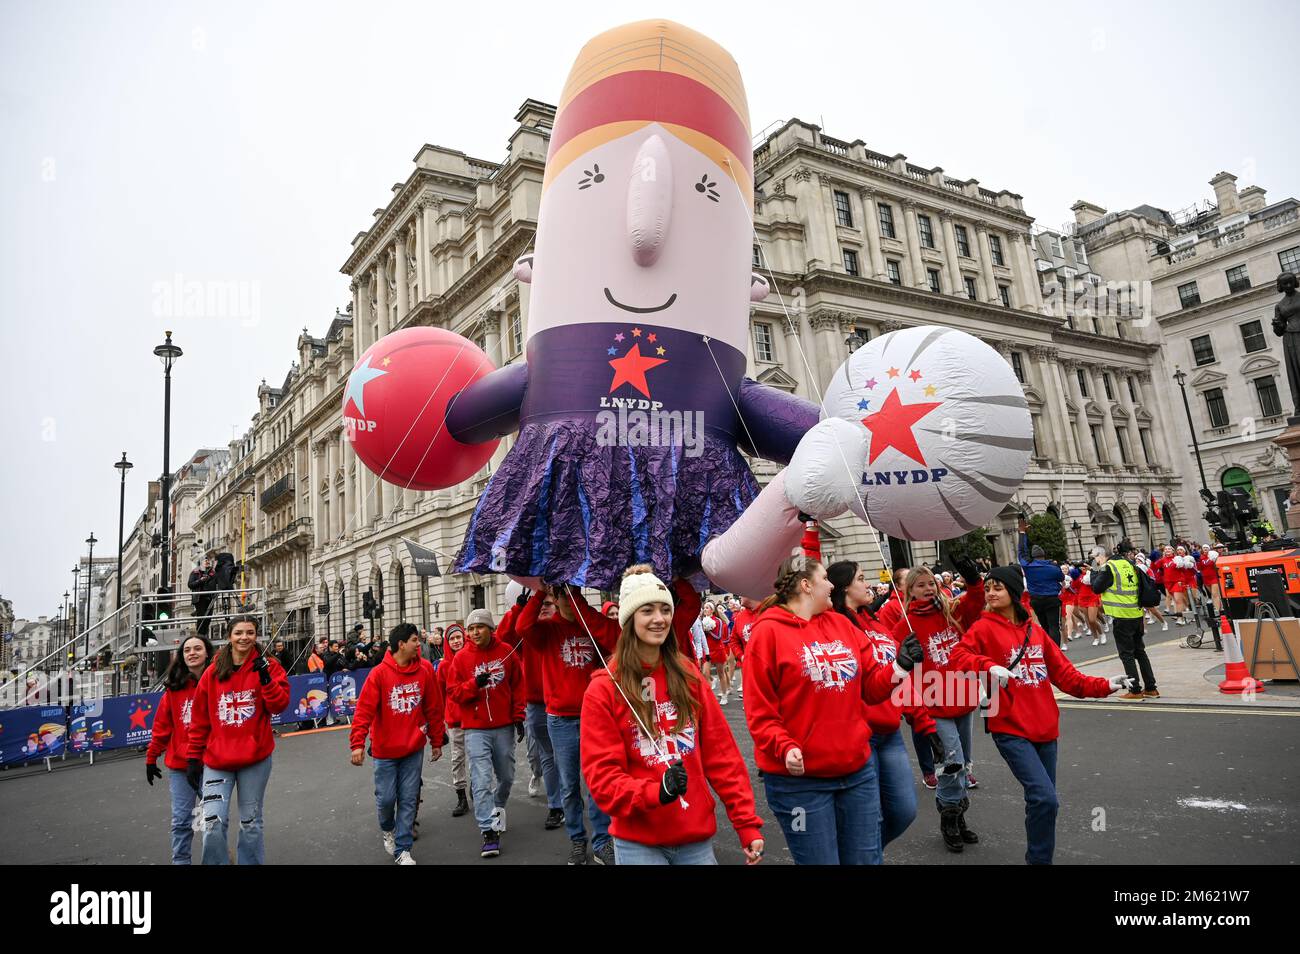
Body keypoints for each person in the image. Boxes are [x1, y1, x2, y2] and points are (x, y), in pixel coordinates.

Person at [582, 565, 764, 865]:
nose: (659, 619)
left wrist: (745, 823)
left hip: (694, 837)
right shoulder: (603, 688)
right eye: (647, 610)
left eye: (665, 609)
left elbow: (722, 756)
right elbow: (602, 778)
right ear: (628, 620)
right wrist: (656, 792)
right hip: (638, 841)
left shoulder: (689, 675)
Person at [744, 555, 921, 865]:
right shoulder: (767, 632)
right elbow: (760, 713)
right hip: (798, 785)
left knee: (866, 860)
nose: (831, 585)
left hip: (857, 772)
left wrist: (900, 666)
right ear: (805, 585)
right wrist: (784, 747)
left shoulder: (841, 623)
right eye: (825, 578)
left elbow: (871, 687)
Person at [951, 566, 1132, 864]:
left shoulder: (1034, 631)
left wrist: (1106, 685)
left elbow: (1067, 677)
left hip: (1046, 729)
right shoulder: (983, 628)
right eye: (988, 589)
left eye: (997, 587)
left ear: (1013, 591)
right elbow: (958, 658)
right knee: (1045, 798)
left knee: (1042, 803)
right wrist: (987, 666)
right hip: (1009, 729)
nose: (991, 594)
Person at [828, 560, 942, 849]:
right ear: (842, 588)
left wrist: (925, 723)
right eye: (862, 578)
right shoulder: (835, 624)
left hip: (890, 733)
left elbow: (898, 678)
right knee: (870, 817)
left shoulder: (875, 622)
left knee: (904, 811)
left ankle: (862, 854)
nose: (869, 584)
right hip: (861, 734)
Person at [516, 583, 630, 865]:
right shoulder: (547, 629)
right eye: (563, 596)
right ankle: (578, 839)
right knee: (569, 785)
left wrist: (578, 601)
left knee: (596, 784)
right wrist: (540, 592)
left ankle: (602, 841)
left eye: (573, 594)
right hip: (560, 719)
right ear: (555, 598)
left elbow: (615, 637)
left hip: (593, 717)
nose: (568, 601)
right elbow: (522, 628)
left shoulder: (589, 625)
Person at [892, 561, 985, 851]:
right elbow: (896, 671)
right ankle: (949, 818)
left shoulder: (952, 611)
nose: (928, 589)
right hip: (934, 704)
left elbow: (975, 602)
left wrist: (973, 578)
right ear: (910, 592)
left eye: (931, 583)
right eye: (921, 585)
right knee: (951, 763)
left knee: (964, 763)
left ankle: (958, 816)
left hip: (963, 698)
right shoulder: (903, 626)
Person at [186, 616, 291, 865]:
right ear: (229, 636)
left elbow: (279, 706)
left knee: (250, 822)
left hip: (255, 758)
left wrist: (266, 679)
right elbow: (200, 719)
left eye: (250, 632)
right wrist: (193, 756)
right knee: (212, 823)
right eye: (239, 633)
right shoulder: (212, 672)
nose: (244, 637)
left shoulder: (270, 666)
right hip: (217, 760)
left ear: (256, 635)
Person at [349, 622, 444, 865]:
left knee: (409, 799)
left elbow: (433, 707)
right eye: (414, 640)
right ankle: (388, 828)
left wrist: (436, 740)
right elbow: (364, 711)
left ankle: (403, 849)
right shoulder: (379, 674)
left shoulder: (424, 670)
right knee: (387, 800)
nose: (418, 644)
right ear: (401, 644)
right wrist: (357, 743)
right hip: (385, 752)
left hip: (413, 749)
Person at [444, 608, 525, 859]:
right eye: (471, 628)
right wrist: (473, 685)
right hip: (475, 729)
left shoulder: (506, 653)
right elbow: (454, 692)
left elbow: (517, 686)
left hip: (502, 727)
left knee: (507, 776)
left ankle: (496, 808)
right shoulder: (461, 659)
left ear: (490, 629)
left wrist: (519, 717)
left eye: (479, 627)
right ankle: (488, 831)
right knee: (480, 780)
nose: (475, 632)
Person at [145, 632, 213, 865]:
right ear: (181, 656)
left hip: (212, 764)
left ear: (207, 653)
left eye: (197, 648)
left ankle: (212, 860)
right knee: (182, 821)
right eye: (187, 650)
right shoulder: (174, 689)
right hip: (181, 766)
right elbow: (162, 726)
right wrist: (151, 757)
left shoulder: (217, 682)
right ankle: (181, 862)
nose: (192, 653)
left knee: (209, 821)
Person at [1090, 541, 1159, 700]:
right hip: (1136, 613)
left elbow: (1096, 588)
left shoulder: (1109, 567)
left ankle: (1135, 690)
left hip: (1121, 616)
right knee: (1140, 652)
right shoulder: (1130, 564)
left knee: (1127, 654)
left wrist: (1094, 570)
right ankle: (1151, 688)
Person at [436, 623, 470, 817]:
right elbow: (439, 696)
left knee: (477, 758)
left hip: (474, 718)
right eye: (452, 639)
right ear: (448, 643)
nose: (457, 641)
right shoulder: (443, 666)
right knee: (457, 758)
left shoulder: (471, 659)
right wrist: (440, 722)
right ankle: (461, 795)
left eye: (459, 637)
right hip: (455, 719)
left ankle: (478, 788)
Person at [1018, 525, 1066, 647]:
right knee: (1054, 626)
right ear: (1043, 555)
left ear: (1033, 556)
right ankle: (1056, 651)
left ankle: (1048, 650)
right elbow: (1061, 578)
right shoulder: (1053, 567)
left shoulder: (1028, 566)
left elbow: (1021, 552)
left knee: (1044, 626)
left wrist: (1022, 533)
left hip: (1036, 600)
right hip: (1052, 599)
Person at [187, 559, 218, 636]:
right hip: (199, 598)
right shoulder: (195, 572)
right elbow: (190, 584)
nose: (207, 562)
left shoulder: (213, 572)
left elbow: (218, 582)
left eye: (208, 561)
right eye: (205, 561)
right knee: (201, 619)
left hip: (210, 598)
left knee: (208, 618)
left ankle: (204, 635)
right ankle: (200, 635)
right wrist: (200, 580)